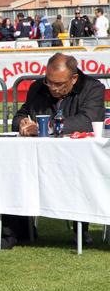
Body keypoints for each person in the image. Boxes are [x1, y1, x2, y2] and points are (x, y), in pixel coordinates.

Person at [12, 54, 104, 245]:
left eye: (59, 84)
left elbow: (88, 120)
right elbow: (21, 113)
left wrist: (47, 127)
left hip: (80, 162)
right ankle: (18, 230)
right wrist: (21, 122)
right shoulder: (38, 88)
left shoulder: (93, 88)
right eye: (50, 82)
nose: (53, 88)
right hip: (40, 162)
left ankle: (82, 227)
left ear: (74, 78)